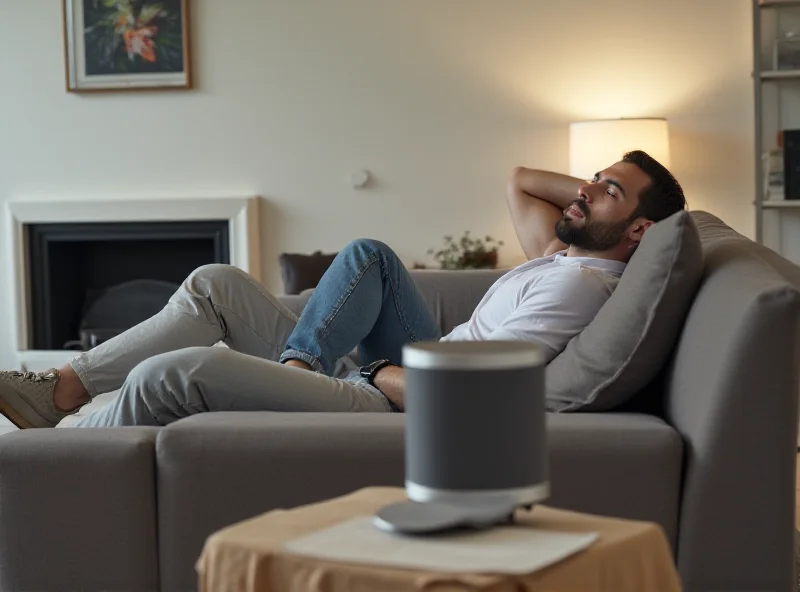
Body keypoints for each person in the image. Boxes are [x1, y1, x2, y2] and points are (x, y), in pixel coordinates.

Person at [0, 150, 685, 429]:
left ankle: (63, 441)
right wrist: (602, 195)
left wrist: (374, 368)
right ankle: (63, 386)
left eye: (608, 192)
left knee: (182, 371)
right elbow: (522, 180)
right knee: (221, 283)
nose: (586, 190)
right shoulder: (565, 258)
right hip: (408, 365)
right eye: (592, 179)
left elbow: (464, 396)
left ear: (641, 230)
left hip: (395, 401)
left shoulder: (583, 288)